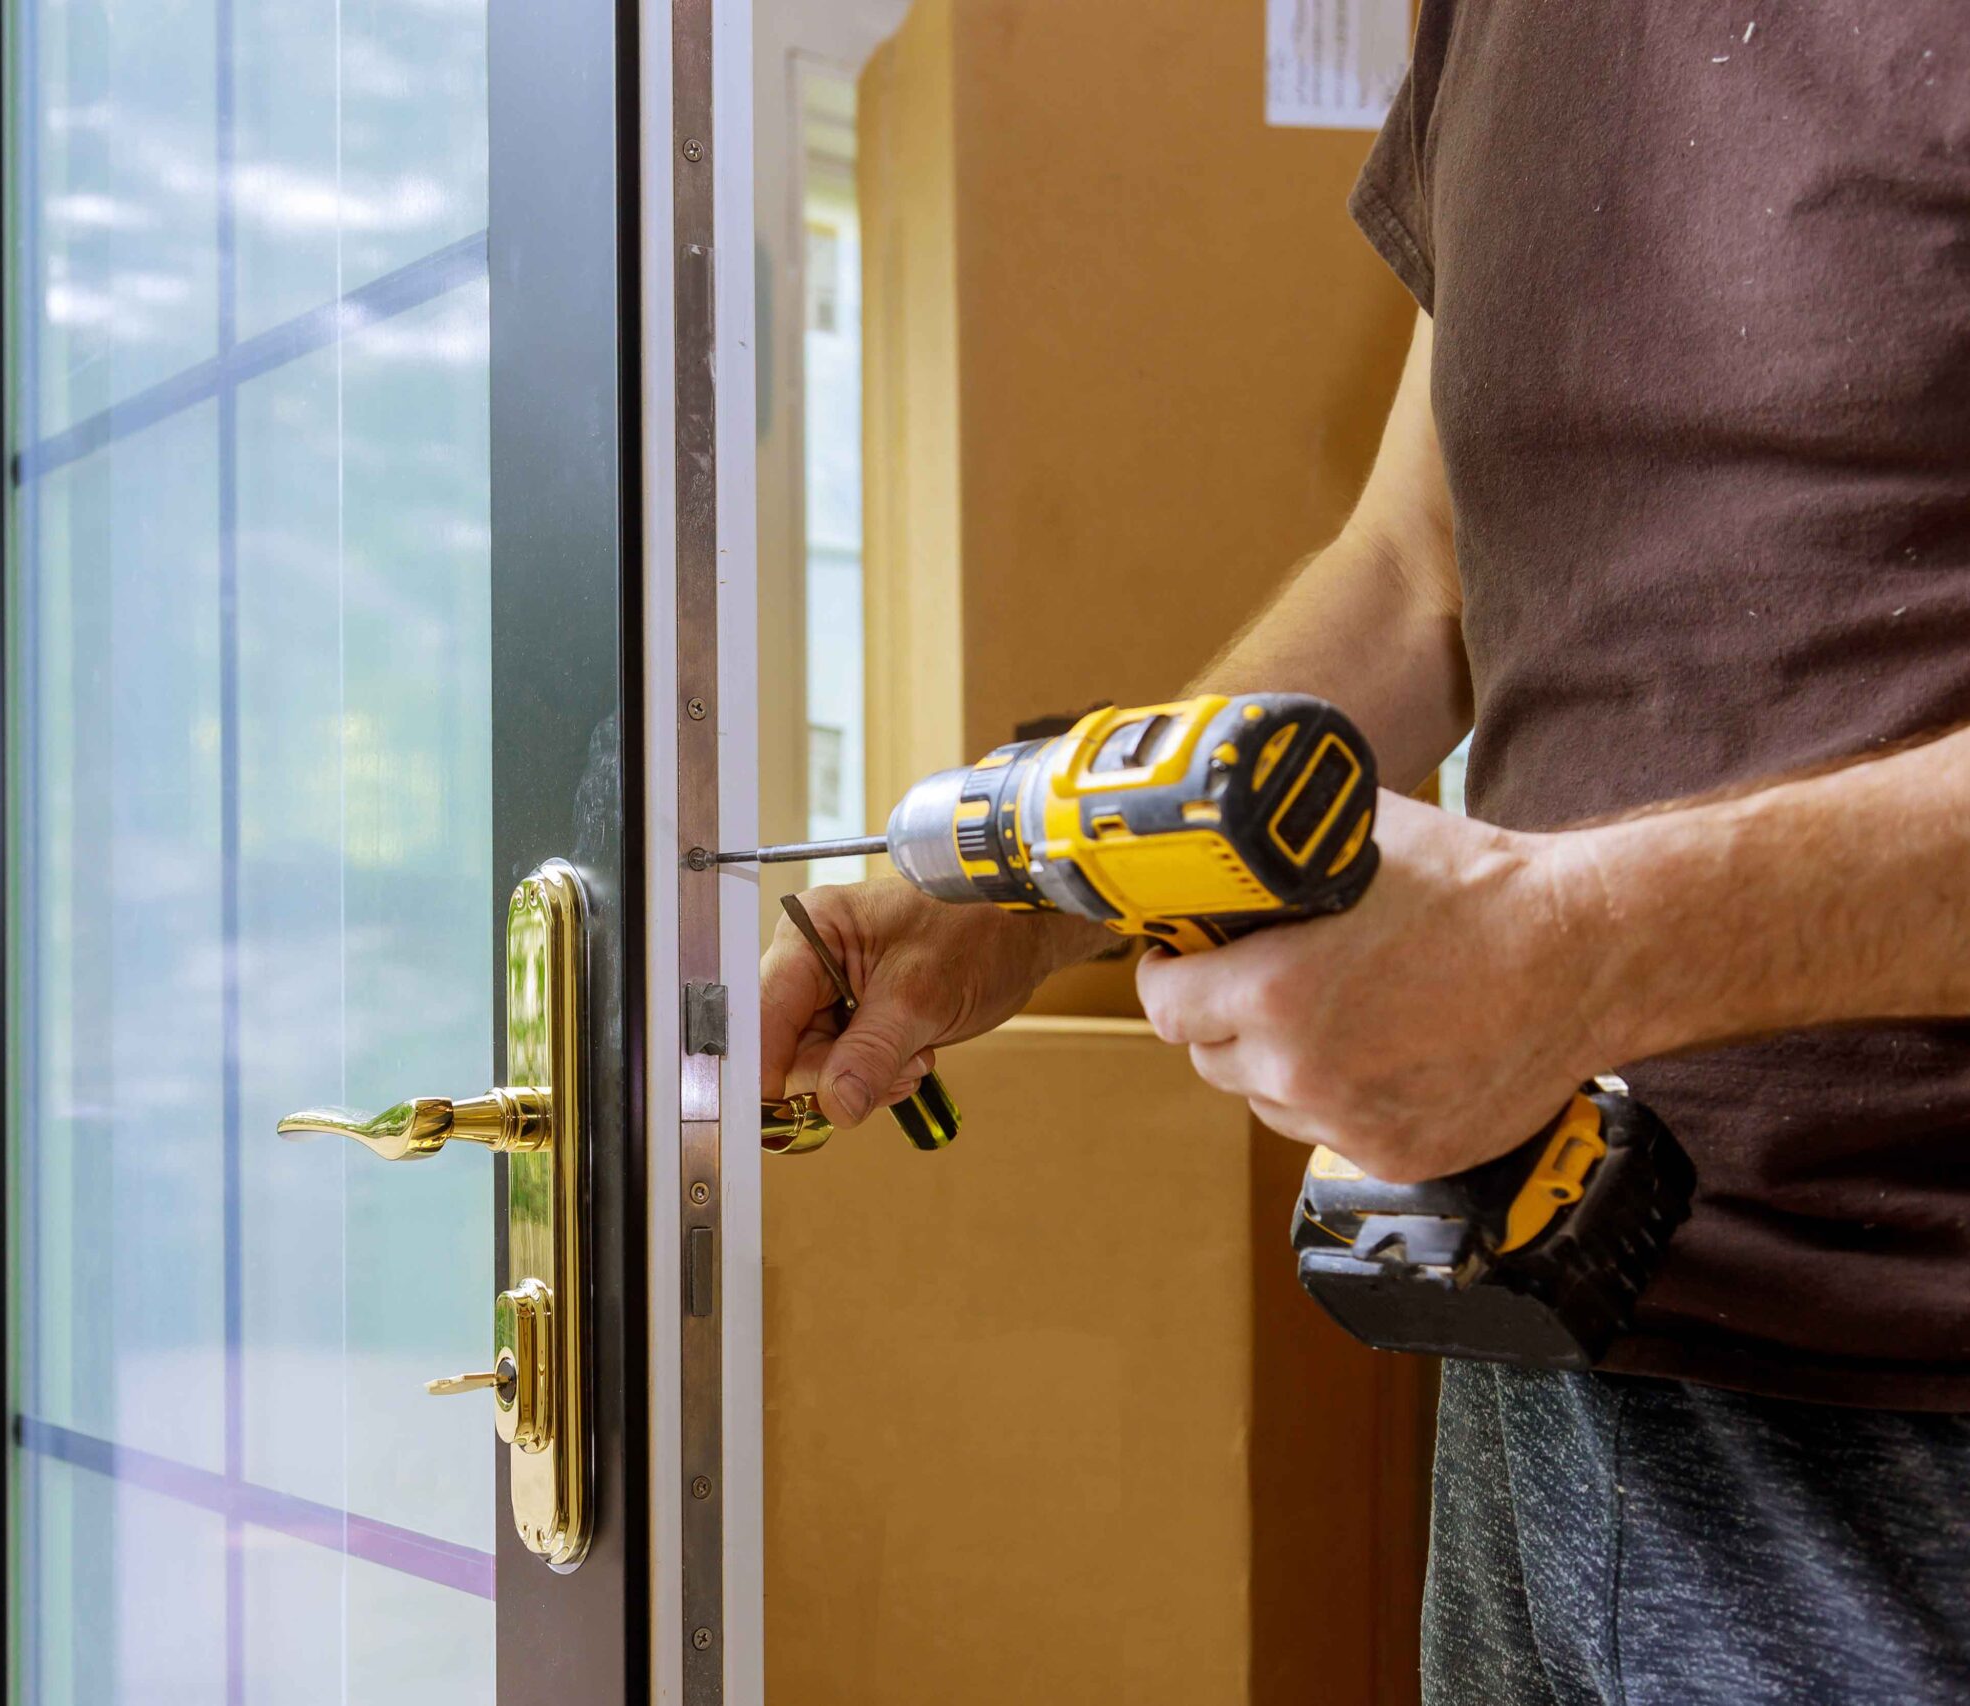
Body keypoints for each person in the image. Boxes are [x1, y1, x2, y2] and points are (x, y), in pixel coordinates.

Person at [758, 7, 1970, 1702]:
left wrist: (1582, 947)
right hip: (1546, 1310)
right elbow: (1416, 574)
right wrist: (1046, 872)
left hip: (1916, 1415)